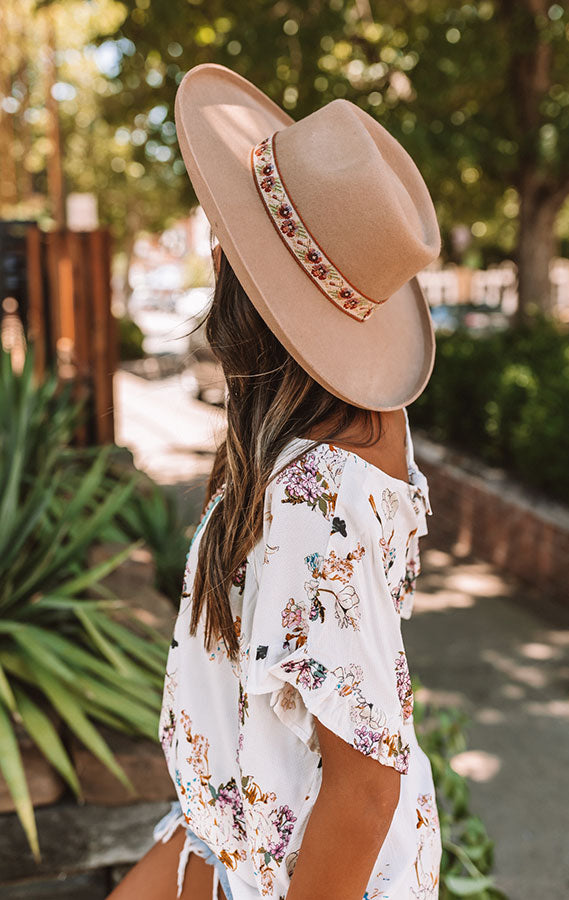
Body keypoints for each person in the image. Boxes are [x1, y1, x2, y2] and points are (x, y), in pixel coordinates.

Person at [108, 63, 443, 900]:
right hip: (232, 842)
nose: (218, 248)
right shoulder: (347, 430)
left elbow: (365, 791)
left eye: (231, 235)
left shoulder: (311, 496)